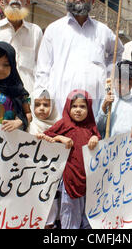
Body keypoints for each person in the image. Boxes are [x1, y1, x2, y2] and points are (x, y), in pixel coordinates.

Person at [35, 0, 123, 117]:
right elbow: (42, 71)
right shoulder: (54, 29)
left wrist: (107, 76)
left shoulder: (103, 31)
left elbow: (118, 52)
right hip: (59, 108)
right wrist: (42, 102)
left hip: (94, 110)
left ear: (93, 0)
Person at [38, 89, 101, 229]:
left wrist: (95, 138)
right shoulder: (63, 124)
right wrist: (60, 138)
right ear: (68, 107)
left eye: (82, 106)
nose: (78, 110)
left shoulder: (91, 127)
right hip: (70, 179)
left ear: (89, 108)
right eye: (74, 106)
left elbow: (99, 141)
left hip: (88, 180)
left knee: (88, 218)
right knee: (69, 213)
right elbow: (44, 137)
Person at [27, 88, 60, 229]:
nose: (41, 108)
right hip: (31, 176)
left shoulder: (59, 126)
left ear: (52, 107)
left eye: (46, 105)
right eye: (37, 105)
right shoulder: (29, 125)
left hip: (52, 176)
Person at [96, 60, 132, 139]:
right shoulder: (107, 99)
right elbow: (99, 127)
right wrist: (103, 108)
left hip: (130, 146)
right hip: (111, 146)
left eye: (129, 83)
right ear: (114, 79)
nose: (123, 87)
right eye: (120, 82)